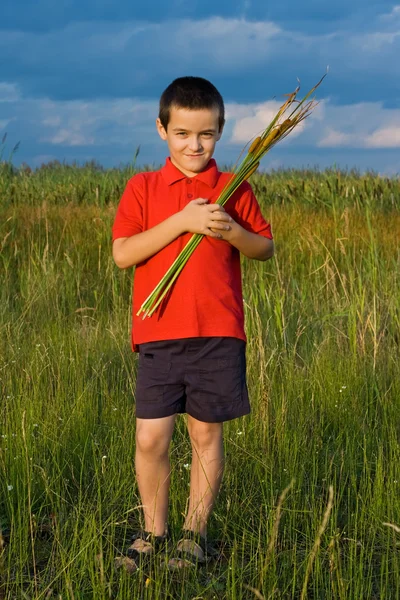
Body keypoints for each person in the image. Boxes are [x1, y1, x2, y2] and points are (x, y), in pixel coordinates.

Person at [112, 76, 274, 569]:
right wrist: (182, 221)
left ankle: (192, 535)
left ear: (220, 132)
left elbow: (264, 248)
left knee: (205, 435)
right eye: (182, 133)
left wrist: (234, 231)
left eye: (205, 134)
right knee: (151, 436)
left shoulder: (233, 186)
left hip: (218, 332)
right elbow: (123, 254)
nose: (194, 145)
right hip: (159, 332)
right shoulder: (143, 187)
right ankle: (152, 532)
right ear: (162, 130)